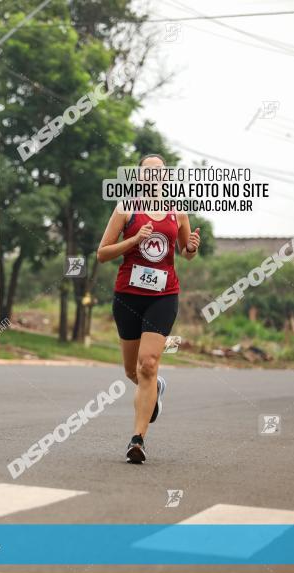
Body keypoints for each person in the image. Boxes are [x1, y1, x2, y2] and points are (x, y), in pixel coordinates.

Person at [97, 154, 201, 463]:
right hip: (128, 295)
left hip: (163, 296)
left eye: (160, 172)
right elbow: (102, 253)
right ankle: (157, 389)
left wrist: (192, 248)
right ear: (139, 177)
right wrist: (133, 240)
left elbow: (184, 253)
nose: (155, 176)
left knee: (148, 364)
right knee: (132, 371)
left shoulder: (177, 214)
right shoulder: (125, 209)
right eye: (148, 171)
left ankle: (137, 441)